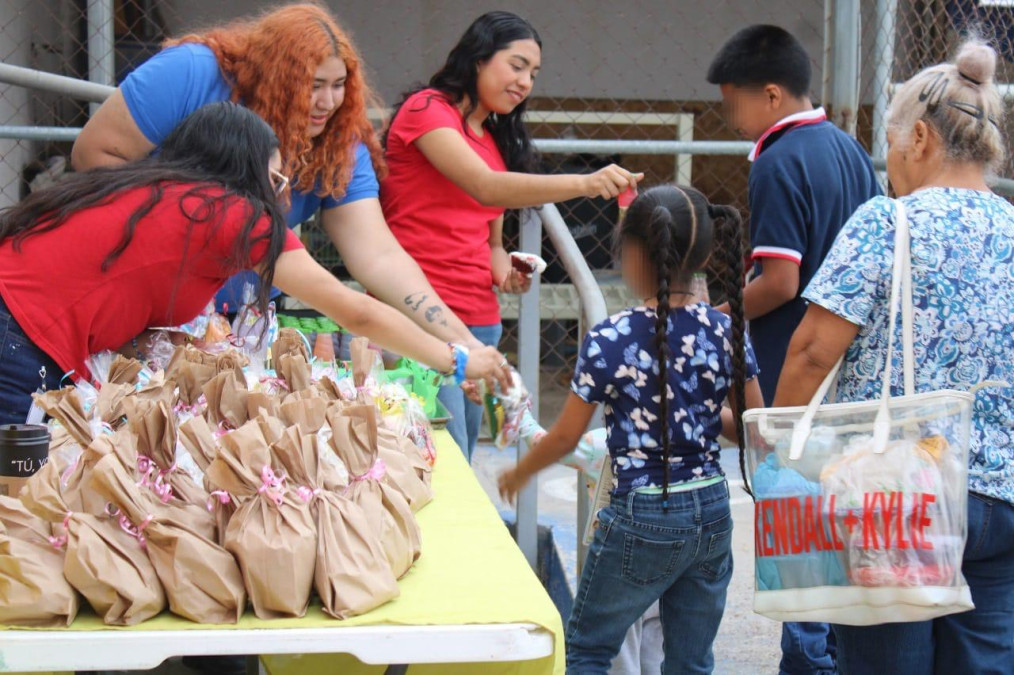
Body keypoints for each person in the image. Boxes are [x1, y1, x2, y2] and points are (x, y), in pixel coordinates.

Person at [0, 102, 511, 427]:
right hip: (21, 341)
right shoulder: (233, 214)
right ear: (247, 171)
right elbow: (355, 312)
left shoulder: (148, 191)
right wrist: (458, 359)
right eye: (277, 178)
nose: (280, 193)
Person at [775, 38, 1013, 675]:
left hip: (898, 499)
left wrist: (783, 448)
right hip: (1005, 496)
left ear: (921, 140)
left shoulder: (888, 222)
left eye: (891, 138)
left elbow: (811, 349)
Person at [70, 4, 485, 355]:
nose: (327, 102)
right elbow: (93, 154)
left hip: (239, 321)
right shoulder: (191, 72)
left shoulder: (338, 141)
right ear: (275, 77)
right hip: (132, 301)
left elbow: (379, 257)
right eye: (313, 86)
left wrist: (462, 342)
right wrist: (187, 230)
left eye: (339, 85)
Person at [499, 185, 763, 672]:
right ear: (704, 253)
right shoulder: (726, 330)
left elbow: (565, 437)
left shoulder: (612, 338)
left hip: (644, 511)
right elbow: (752, 429)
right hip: (710, 507)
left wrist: (519, 474)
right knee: (691, 659)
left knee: (590, 648)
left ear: (633, 253)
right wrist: (696, 415)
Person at [381, 11, 641, 458]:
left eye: (533, 74)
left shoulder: (492, 135)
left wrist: (504, 271)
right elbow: (484, 186)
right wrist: (585, 182)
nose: (525, 82)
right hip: (421, 316)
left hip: (480, 321)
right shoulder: (426, 110)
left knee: (460, 451)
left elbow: (492, 240)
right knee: (435, 458)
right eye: (516, 65)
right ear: (479, 58)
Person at [706, 24, 882, 673]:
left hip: (795, 368)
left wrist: (715, 315)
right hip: (852, 367)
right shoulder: (848, 147)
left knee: (796, 527)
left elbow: (780, 280)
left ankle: (808, 661)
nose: (733, 119)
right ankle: (840, 651)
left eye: (735, 103)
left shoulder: (778, 160)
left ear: (772, 94)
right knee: (839, 521)